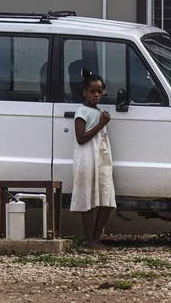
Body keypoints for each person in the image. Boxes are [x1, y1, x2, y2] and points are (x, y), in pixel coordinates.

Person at [71, 72, 116, 249]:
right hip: (87, 160)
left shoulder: (98, 112)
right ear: (84, 92)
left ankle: (96, 238)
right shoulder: (81, 112)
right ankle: (90, 239)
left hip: (102, 160)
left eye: (99, 91)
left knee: (107, 199)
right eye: (92, 91)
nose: (96, 95)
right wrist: (101, 124)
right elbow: (80, 138)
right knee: (87, 199)